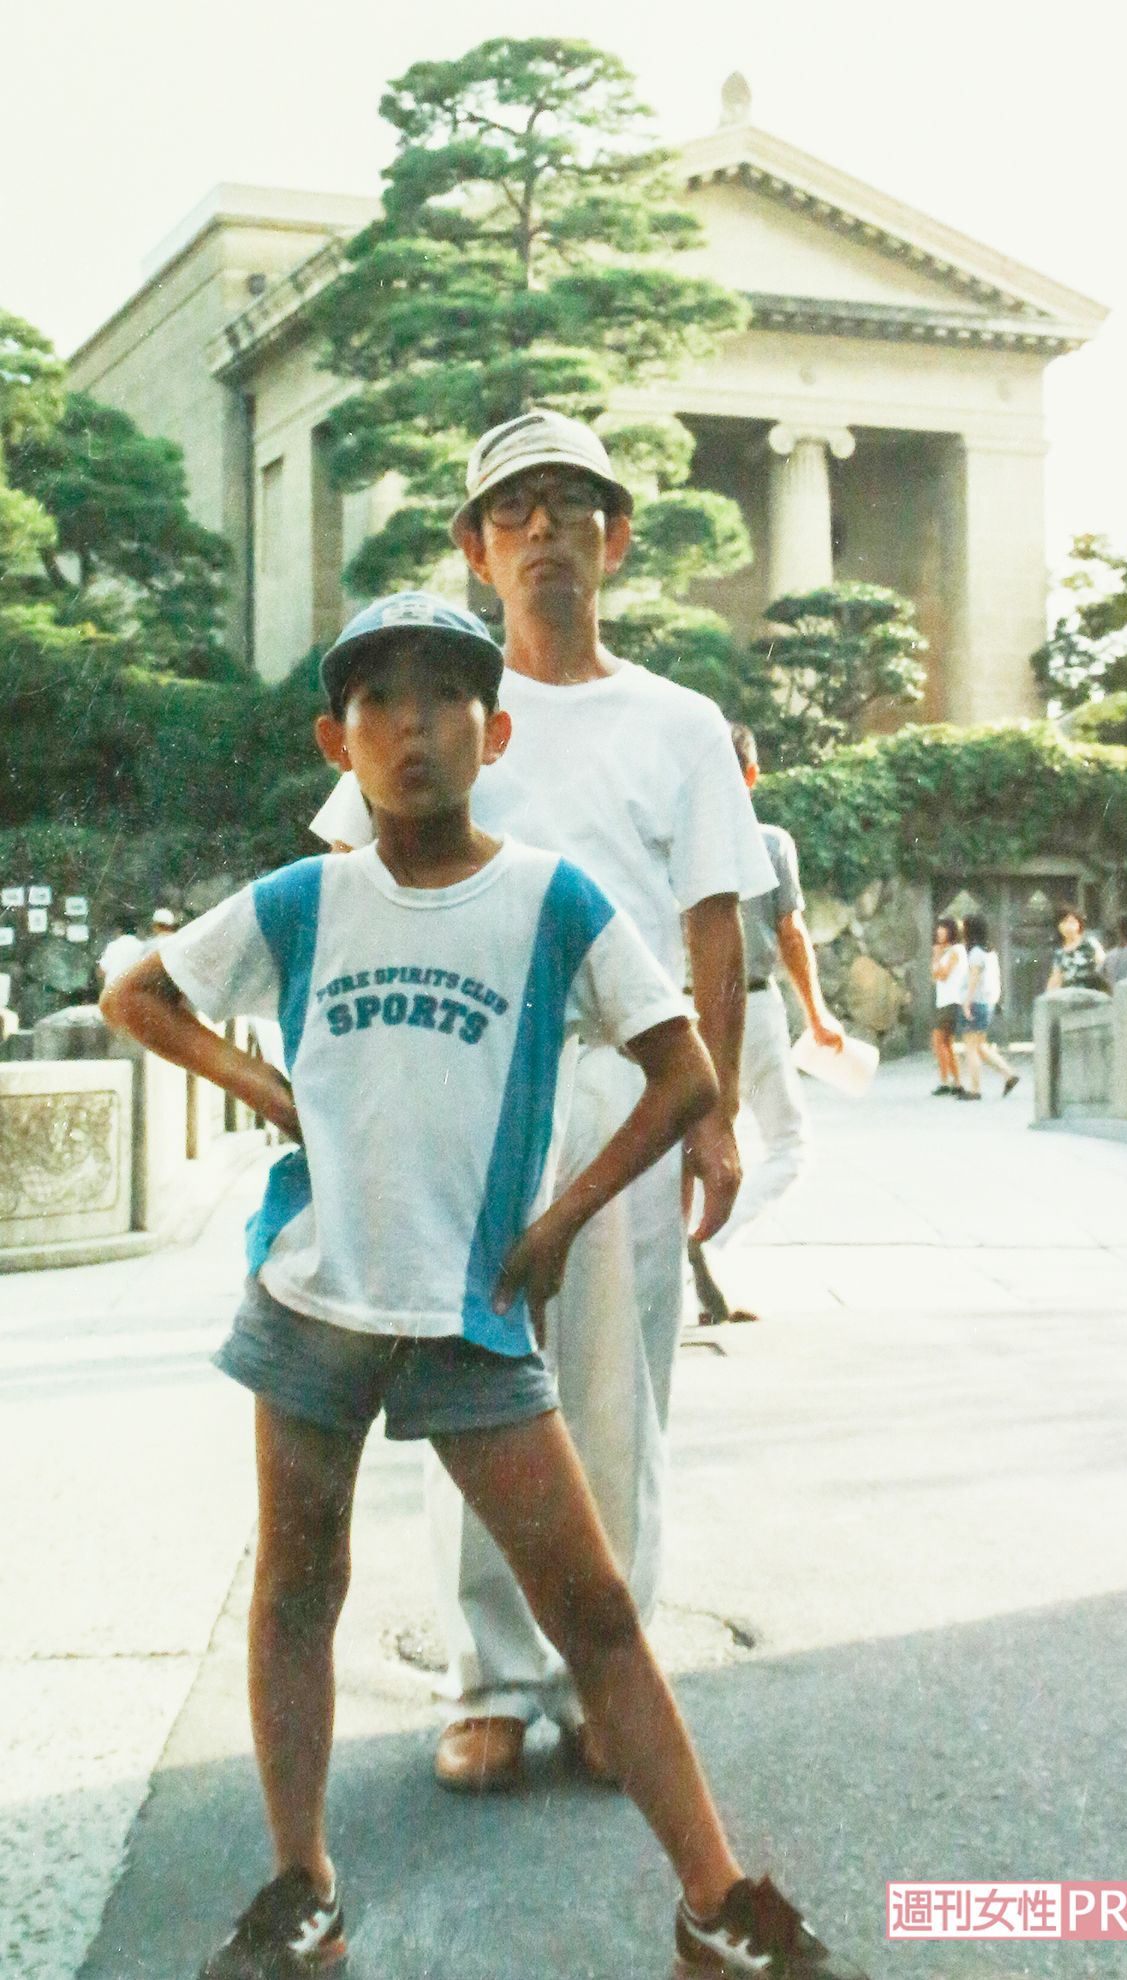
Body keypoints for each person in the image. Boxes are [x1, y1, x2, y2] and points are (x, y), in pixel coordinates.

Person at [101, 598, 865, 1980]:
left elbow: (683, 1067)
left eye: (446, 699)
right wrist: (263, 1088)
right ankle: (301, 1891)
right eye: (380, 703)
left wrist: (564, 1221)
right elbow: (141, 996)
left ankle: (715, 1901)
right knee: (296, 1587)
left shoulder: (551, 902)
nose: (414, 727)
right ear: (340, 742)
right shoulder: (304, 899)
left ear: (494, 733)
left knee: (593, 1609)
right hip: (315, 1299)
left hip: (472, 1309)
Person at [310, 410, 774, 1793]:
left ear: (616, 539)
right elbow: (349, 883)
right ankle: (495, 1682)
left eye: (577, 506)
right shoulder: (438, 711)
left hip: (628, 1092)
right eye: (517, 509)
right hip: (473, 1087)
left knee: (618, 1400)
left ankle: (606, 1686)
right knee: (484, 1385)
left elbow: (714, 933)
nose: (548, 531)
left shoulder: (680, 723)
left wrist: (719, 1114)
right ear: (475, 545)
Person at [687, 722, 845, 1326]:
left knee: (681, 1153)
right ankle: (713, 1245)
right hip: (750, 1007)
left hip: (681, 1011)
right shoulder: (771, 842)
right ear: (752, 776)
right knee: (789, 1144)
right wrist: (818, 1013)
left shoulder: (671, 842)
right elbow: (791, 934)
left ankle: (684, 1275)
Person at [957, 912, 1018, 1101]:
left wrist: (967, 1002)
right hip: (987, 1002)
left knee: (971, 1048)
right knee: (981, 1047)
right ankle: (1009, 1074)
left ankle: (975, 1089)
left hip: (975, 1002)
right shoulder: (990, 952)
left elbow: (974, 978)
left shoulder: (975, 953)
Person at [930, 917, 967, 1094]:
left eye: (943, 928)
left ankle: (949, 1081)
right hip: (944, 1001)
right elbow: (935, 975)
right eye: (938, 928)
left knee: (939, 1042)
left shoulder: (956, 951)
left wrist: (936, 957)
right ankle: (954, 1082)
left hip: (951, 1002)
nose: (939, 931)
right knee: (946, 1044)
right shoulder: (948, 952)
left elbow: (942, 975)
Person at [1045, 905, 1105, 992]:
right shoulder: (1060, 953)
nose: (1068, 927)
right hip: (1070, 998)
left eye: (1072, 922)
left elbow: (1103, 966)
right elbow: (1056, 979)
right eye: (1064, 922)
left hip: (1092, 995)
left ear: (1079, 924)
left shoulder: (1090, 943)